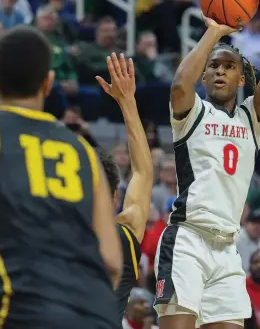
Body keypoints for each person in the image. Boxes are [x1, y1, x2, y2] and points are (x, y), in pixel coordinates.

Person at [0, 26, 122, 329]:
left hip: (22, 311)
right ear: (49, 83)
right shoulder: (84, 152)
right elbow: (111, 261)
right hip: (97, 315)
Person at [154, 0, 260, 329]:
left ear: (241, 78)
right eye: (213, 66)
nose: (219, 72)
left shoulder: (250, 119)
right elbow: (180, 85)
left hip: (228, 249)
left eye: (228, 67)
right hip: (188, 240)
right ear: (204, 74)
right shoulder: (192, 113)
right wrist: (215, 31)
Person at [96, 52, 153, 319]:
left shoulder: (52, 236)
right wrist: (127, 102)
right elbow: (142, 173)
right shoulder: (125, 232)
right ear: (114, 196)